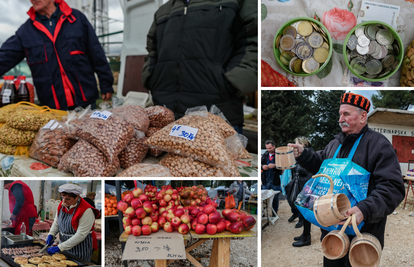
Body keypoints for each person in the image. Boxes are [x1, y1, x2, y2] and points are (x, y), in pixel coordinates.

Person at [288, 93, 405, 266]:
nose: (340, 119)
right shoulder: (335, 144)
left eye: (346, 114)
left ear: (363, 116)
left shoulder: (379, 145)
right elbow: (320, 163)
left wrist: (364, 209)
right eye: (340, 114)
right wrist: (303, 154)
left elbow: (393, 187)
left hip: (363, 231)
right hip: (332, 229)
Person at [142, 0, 257, 133]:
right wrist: (150, 77)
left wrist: (230, 83)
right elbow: (152, 50)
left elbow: (254, 43)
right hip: (166, 118)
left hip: (218, 117)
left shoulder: (236, 2)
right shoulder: (163, 11)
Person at [0, 0, 114, 110]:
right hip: (53, 105)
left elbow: (96, 52)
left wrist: (106, 83)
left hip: (85, 99)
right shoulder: (25, 31)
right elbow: (4, 57)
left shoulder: (76, 18)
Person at [46, 184, 100, 261]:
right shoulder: (62, 205)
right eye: (63, 198)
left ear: (77, 197)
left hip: (80, 249)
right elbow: (57, 222)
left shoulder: (86, 210)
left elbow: (80, 235)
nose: (64, 201)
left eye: (68, 199)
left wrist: (60, 247)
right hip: (64, 246)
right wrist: (51, 234)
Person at [286, 136, 313, 247]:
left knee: (306, 212)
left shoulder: (310, 154)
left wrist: (294, 166)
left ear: (303, 145)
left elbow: (304, 170)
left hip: (307, 187)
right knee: (303, 211)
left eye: (296, 143)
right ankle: (305, 234)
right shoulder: (303, 155)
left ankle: (307, 238)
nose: (295, 145)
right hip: (303, 186)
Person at [261, 140, 282, 216]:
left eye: (270, 148)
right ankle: (263, 213)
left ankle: (274, 213)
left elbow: (282, 166)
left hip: (275, 180)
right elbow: (260, 165)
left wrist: (275, 165)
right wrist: (262, 167)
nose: (268, 150)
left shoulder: (279, 155)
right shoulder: (265, 154)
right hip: (265, 181)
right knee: (263, 198)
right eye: (267, 148)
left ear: (274, 146)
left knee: (275, 198)